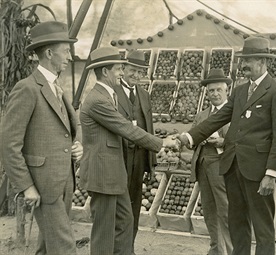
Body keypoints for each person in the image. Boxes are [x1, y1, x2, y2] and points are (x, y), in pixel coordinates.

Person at [178, 36, 276, 255]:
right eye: (243, 60)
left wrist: (271, 173)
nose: (243, 65)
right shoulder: (240, 91)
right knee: (237, 224)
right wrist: (188, 137)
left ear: (262, 61)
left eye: (248, 60)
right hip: (232, 168)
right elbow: (217, 119)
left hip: (259, 172)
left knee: (263, 228)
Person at [79, 47, 179, 255]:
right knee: (105, 231)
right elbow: (126, 128)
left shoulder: (107, 95)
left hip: (114, 173)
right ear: (105, 72)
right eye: (118, 69)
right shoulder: (98, 99)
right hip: (103, 174)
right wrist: (161, 143)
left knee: (126, 220)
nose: (122, 73)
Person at [0, 21, 83, 254]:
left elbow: (65, 131)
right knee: (64, 247)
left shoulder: (57, 87)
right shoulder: (27, 88)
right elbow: (9, 144)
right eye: (66, 51)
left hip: (64, 180)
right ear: (49, 53)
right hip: (43, 185)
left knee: (48, 247)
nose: (70, 56)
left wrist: (77, 147)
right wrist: (26, 186)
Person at [113, 50, 156, 254]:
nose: (136, 75)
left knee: (135, 204)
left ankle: (129, 248)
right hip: (118, 157)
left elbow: (150, 129)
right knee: (118, 206)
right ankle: (117, 248)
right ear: (123, 69)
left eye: (140, 72)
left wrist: (151, 163)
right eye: (133, 70)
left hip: (139, 158)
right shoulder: (112, 92)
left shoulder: (145, 96)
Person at [190, 69, 233, 255]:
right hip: (203, 165)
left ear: (227, 91)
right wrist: (196, 140)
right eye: (211, 91)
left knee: (225, 210)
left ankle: (231, 251)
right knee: (209, 211)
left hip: (223, 166)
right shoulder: (201, 115)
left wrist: (223, 141)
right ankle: (216, 249)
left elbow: (242, 140)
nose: (214, 94)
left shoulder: (233, 113)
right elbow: (192, 137)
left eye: (218, 90)